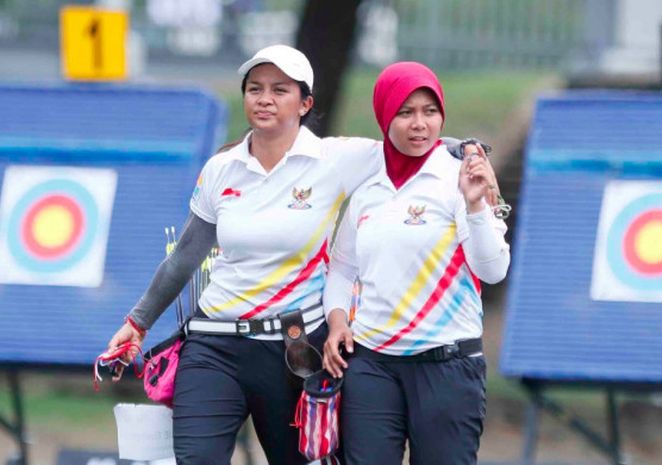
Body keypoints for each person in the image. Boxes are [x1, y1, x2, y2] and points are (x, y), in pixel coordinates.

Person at [104, 44, 386, 465]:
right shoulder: (223, 167)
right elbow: (186, 255)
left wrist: (466, 151)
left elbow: (410, 145)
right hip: (213, 344)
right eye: (255, 89)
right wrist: (137, 322)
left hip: (293, 350)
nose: (265, 99)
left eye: (280, 90)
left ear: (305, 103)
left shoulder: (335, 159)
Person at [322, 61, 511, 465]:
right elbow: (341, 268)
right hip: (372, 365)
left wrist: (476, 204)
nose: (419, 124)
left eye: (430, 111)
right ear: (384, 116)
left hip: (447, 365)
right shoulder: (367, 189)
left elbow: (493, 269)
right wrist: (338, 323)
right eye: (405, 112)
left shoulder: (463, 177)